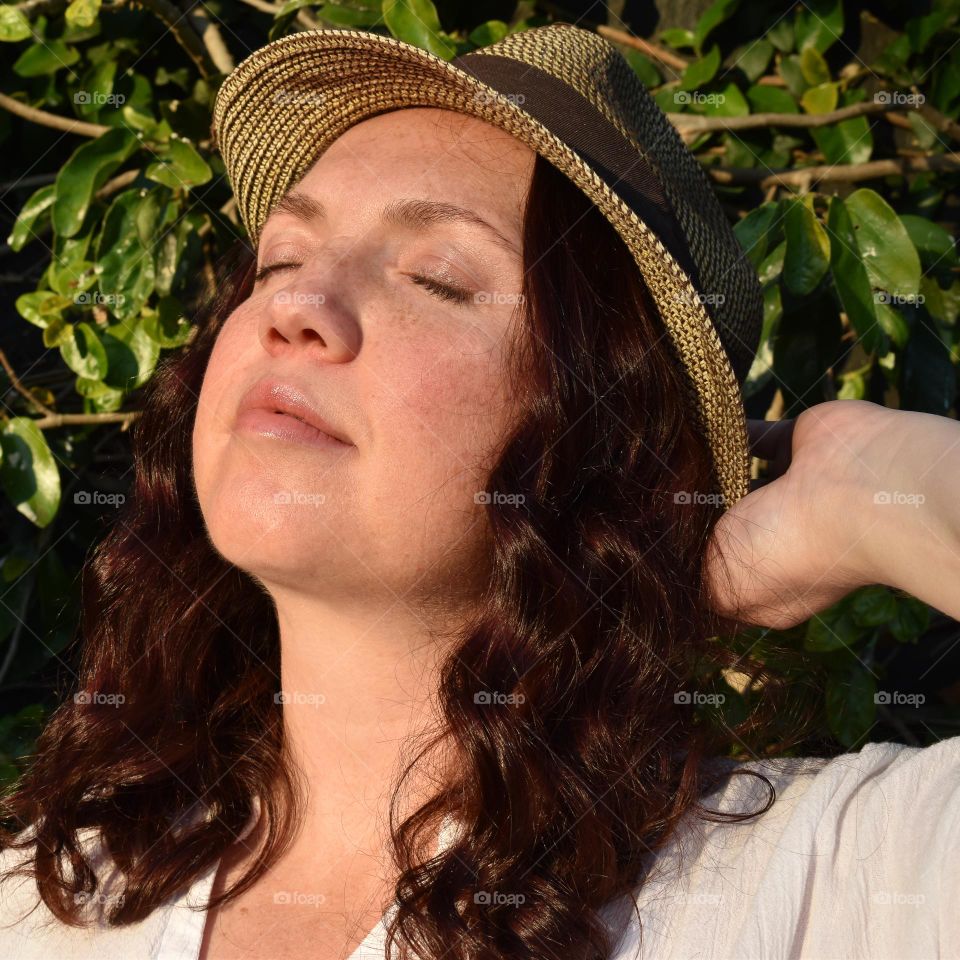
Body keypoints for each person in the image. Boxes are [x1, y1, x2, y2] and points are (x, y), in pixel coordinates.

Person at [2, 23, 959, 960]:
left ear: (602, 429)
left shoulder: (832, 882)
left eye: (439, 278)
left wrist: (872, 490)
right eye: (282, 259)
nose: (295, 306)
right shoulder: (45, 900)